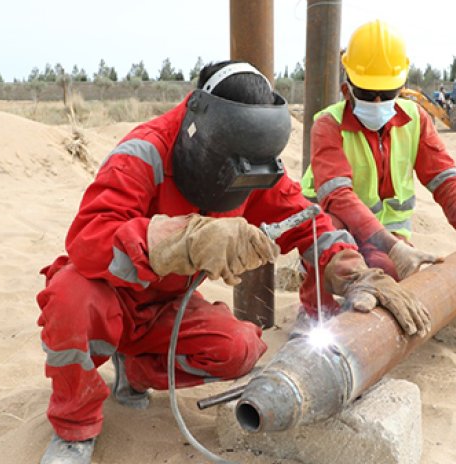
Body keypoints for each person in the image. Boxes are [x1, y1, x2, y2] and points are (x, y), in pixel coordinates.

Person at [35, 60, 429, 464]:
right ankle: (74, 428)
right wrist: (184, 239)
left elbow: (309, 223)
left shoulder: (253, 161)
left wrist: (355, 272)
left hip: (166, 308)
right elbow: (88, 240)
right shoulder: (144, 152)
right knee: (71, 298)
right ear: (201, 133)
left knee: (239, 349)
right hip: (108, 295)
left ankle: (135, 370)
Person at [300, 19, 456, 310]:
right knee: (335, 258)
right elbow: (339, 196)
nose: (377, 101)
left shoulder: (416, 119)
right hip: (328, 225)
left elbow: (445, 178)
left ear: (402, 86)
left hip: (383, 233)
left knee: (389, 273)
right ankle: (313, 312)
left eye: (386, 94)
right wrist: (393, 247)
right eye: (367, 93)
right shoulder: (328, 125)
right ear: (347, 86)